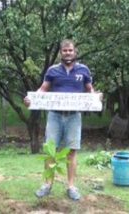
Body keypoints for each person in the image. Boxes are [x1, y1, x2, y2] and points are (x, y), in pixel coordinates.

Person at [24, 39, 95, 200]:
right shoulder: (52, 70)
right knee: (50, 151)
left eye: (70, 50)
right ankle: (47, 185)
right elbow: (43, 89)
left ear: (75, 52)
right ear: (60, 53)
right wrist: (32, 99)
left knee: (71, 152)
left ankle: (71, 187)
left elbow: (90, 90)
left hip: (74, 116)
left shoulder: (84, 70)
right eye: (65, 51)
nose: (68, 53)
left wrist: (96, 99)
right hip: (55, 116)